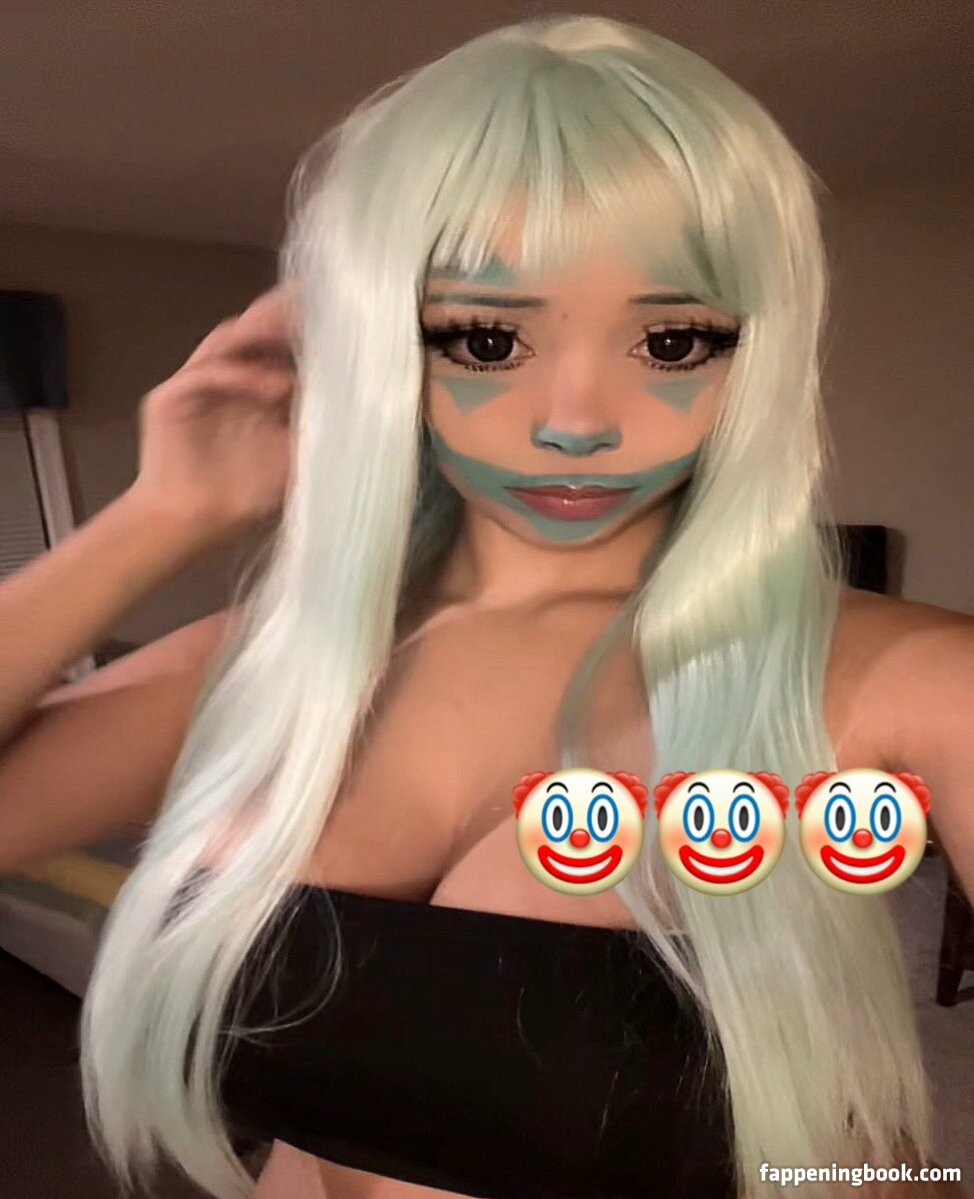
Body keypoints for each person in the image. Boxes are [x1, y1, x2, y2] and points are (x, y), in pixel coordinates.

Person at [0, 14, 970, 1199]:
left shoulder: (903, 682)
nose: (576, 420)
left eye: (671, 339)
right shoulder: (266, 670)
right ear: (386, 348)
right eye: (486, 336)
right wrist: (159, 516)